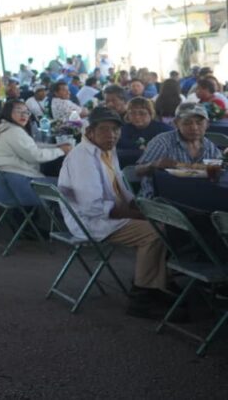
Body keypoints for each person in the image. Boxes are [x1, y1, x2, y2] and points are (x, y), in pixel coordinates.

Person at [56, 107, 175, 319]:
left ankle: (156, 285)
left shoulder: (107, 151)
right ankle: (142, 296)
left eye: (116, 129)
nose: (111, 135)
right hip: (91, 221)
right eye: (104, 129)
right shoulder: (83, 157)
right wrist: (139, 215)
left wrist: (139, 206)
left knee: (163, 221)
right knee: (154, 232)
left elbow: (121, 188)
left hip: (109, 214)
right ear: (90, 132)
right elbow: (93, 207)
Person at [134, 103, 226, 197]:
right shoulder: (162, 142)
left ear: (207, 124)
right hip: (160, 199)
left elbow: (220, 171)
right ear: (176, 123)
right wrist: (154, 164)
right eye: (187, 123)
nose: (194, 127)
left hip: (196, 198)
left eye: (199, 123)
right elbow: (137, 170)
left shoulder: (210, 147)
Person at [0, 100, 71, 179]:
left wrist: (55, 146)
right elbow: (36, 156)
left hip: (6, 175)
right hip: (18, 177)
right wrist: (61, 150)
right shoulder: (14, 131)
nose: (23, 115)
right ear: (7, 112)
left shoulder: (2, 127)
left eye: (26, 112)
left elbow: (31, 145)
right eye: (18, 111)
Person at [116, 98, 172, 166]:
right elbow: (115, 153)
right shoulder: (122, 130)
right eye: (132, 113)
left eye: (142, 113)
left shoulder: (165, 130)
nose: (137, 117)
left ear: (150, 114)